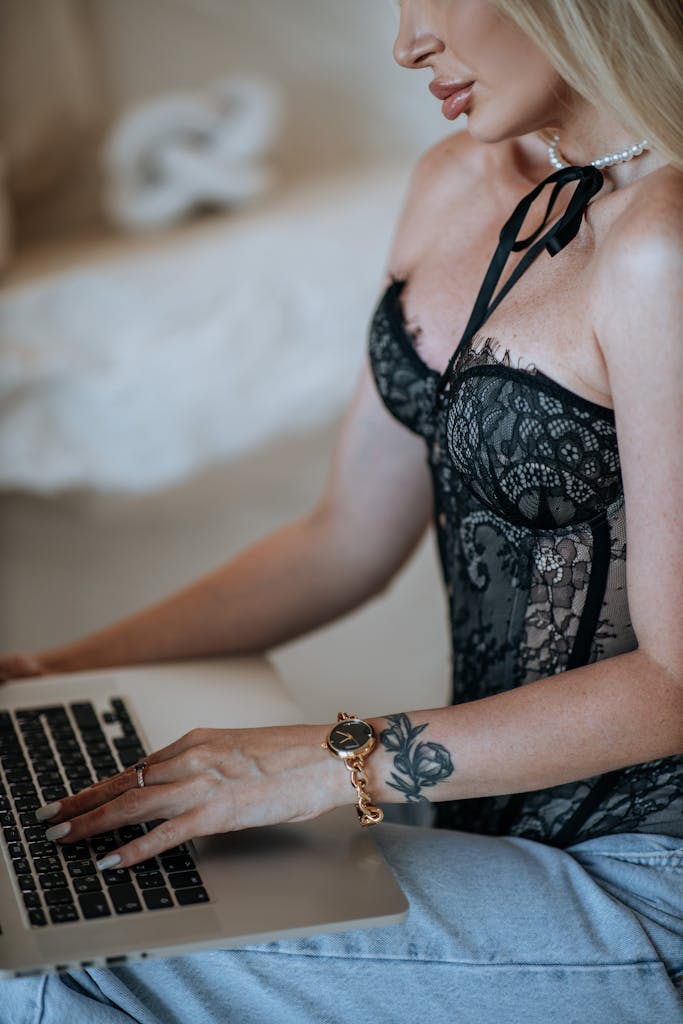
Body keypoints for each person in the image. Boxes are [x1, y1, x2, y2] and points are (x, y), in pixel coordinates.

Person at [2, 1, 682, 1020]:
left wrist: (330, 761)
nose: (405, 43)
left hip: (643, 877)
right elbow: (342, 538)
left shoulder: (662, 245)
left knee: (47, 956)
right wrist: (48, 673)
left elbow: (676, 680)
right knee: (41, 884)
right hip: (494, 834)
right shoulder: (457, 183)